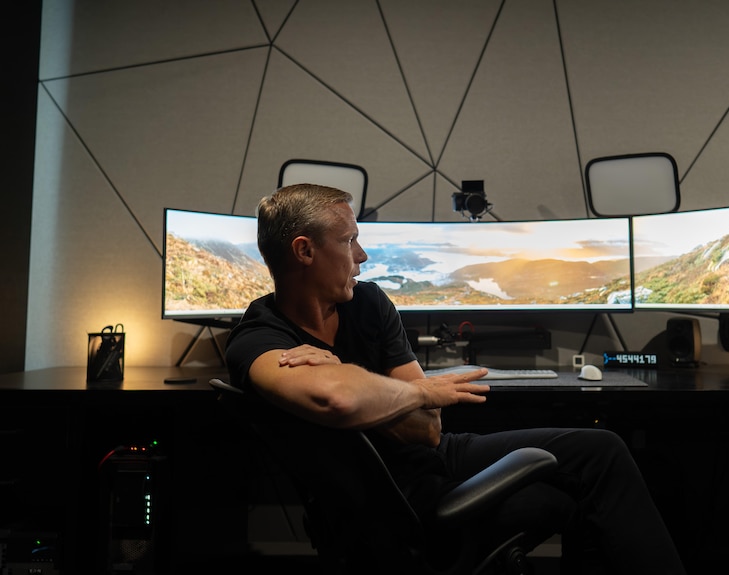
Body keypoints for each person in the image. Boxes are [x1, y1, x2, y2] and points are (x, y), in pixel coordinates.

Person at [225, 183, 687, 574]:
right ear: (304, 250)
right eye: (348, 241)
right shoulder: (258, 340)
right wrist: (413, 391)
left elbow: (427, 429)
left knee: (601, 449)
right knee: (572, 497)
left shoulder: (366, 303)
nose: (362, 255)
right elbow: (339, 402)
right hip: (396, 500)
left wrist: (349, 377)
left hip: (435, 455)